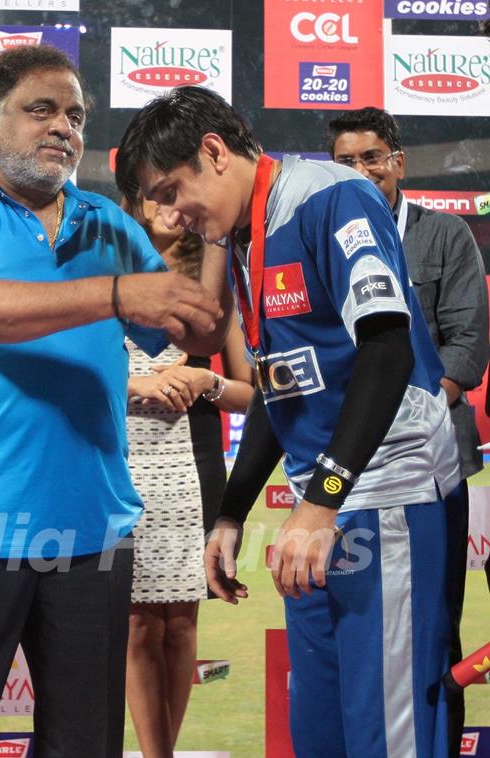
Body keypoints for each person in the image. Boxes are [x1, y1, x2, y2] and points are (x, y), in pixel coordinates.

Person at [0, 47, 223, 758]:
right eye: (41, 109)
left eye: (74, 115)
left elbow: (193, 325)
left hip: (92, 529)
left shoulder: (107, 222)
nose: (62, 126)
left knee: (84, 745)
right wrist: (120, 293)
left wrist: (214, 236)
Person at [115, 86, 461, 758]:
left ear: (213, 152)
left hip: (384, 498)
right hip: (324, 510)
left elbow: (387, 350)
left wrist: (321, 503)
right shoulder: (247, 234)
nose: (168, 214)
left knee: (388, 737)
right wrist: (231, 513)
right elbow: (282, 387)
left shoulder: (329, 196)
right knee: (321, 734)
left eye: (168, 189)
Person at [326, 106, 489, 757]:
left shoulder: (445, 237)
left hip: (437, 471)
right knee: (366, 635)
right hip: (348, 475)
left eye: (372, 157)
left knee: (436, 629)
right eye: (346, 162)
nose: (361, 172)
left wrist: (404, 423)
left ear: (398, 162)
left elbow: (468, 346)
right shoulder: (326, 244)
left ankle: (441, 744)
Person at [123, 197, 253, 757]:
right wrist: (136, 386)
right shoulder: (104, 281)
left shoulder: (213, 289)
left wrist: (206, 381)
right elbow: (74, 373)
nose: (165, 207)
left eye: (172, 193)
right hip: (121, 465)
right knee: (137, 627)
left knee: (179, 625)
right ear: (131, 201)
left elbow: (253, 391)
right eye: (151, 193)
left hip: (193, 468)